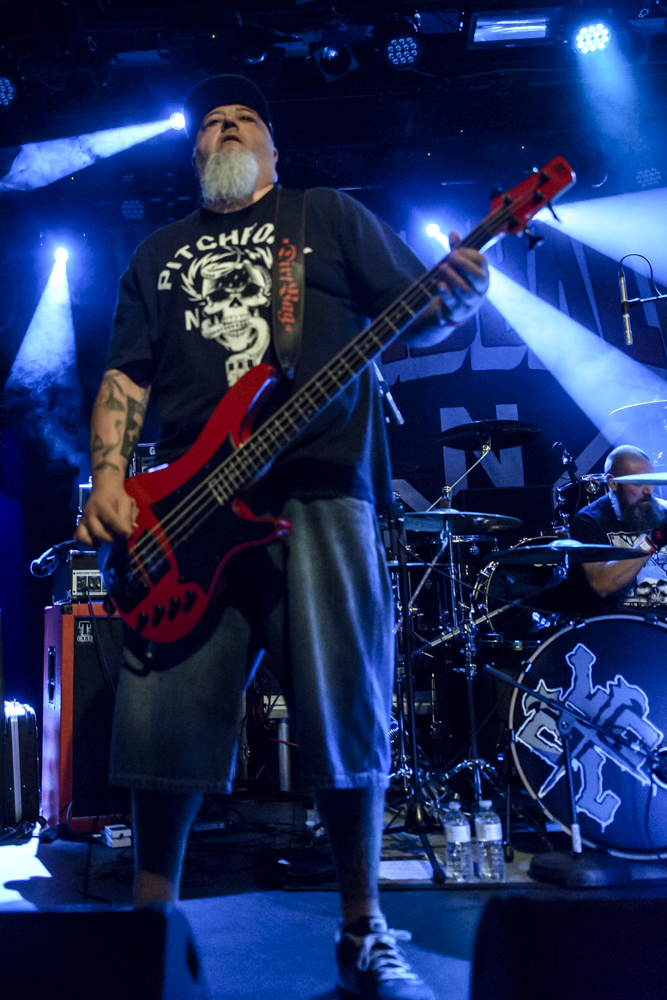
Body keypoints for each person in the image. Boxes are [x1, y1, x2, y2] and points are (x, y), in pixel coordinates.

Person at [75, 74, 489, 1000]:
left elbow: (420, 314)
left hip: (320, 491)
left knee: (344, 708)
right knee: (162, 720)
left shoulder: (324, 215)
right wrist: (108, 477)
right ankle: (149, 934)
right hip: (185, 510)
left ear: (272, 148)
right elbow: (126, 377)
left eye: (245, 118)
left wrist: (459, 298)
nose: (226, 125)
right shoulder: (157, 252)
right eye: (211, 121)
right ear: (194, 152)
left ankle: (363, 932)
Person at [569, 445, 667, 614]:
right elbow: (601, 584)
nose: (648, 490)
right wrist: (652, 541)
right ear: (613, 483)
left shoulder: (664, 511)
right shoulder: (588, 521)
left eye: (651, 480)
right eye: (638, 482)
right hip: (622, 623)